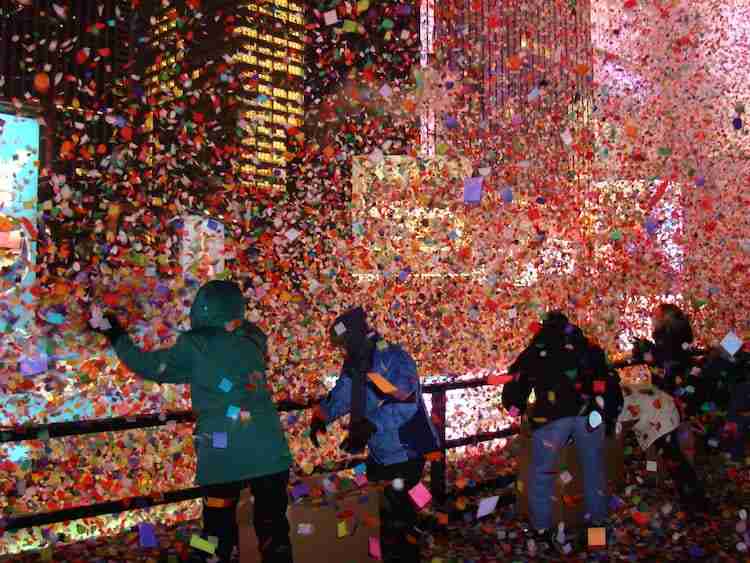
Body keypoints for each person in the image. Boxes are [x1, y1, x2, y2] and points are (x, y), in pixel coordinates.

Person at [94, 280, 294, 563]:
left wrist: (116, 336)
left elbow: (150, 366)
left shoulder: (195, 345)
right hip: (270, 447)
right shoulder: (254, 338)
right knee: (275, 532)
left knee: (215, 528)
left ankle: (212, 556)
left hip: (221, 451)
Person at [308, 306, 440, 563]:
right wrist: (322, 415)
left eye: (344, 343)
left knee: (398, 520)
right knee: (381, 513)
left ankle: (408, 554)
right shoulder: (357, 361)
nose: (342, 350)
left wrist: (369, 425)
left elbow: (405, 402)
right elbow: (344, 392)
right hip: (380, 452)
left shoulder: (394, 358)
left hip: (406, 450)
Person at [502, 311, 623, 552]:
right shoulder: (587, 346)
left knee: (542, 474)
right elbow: (608, 379)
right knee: (593, 470)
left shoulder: (537, 348)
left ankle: (542, 532)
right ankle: (596, 532)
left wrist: (517, 410)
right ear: (569, 326)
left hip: (550, 417)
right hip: (590, 415)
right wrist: (609, 417)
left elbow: (516, 382)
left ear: (545, 326)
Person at [631, 303, 708, 512]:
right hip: (677, 398)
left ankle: (694, 500)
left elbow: (665, 364)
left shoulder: (667, 339)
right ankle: (693, 498)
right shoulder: (678, 336)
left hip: (669, 400)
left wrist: (646, 351)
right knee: (678, 450)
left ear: (665, 318)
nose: (651, 316)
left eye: (655, 314)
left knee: (673, 453)